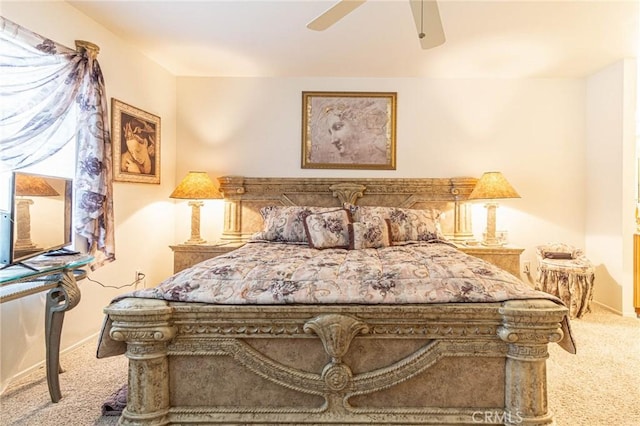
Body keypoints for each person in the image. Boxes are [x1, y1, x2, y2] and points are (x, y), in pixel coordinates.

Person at [310, 99, 389, 165]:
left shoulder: (383, 159)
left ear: (358, 124)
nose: (333, 140)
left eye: (338, 127)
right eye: (330, 132)